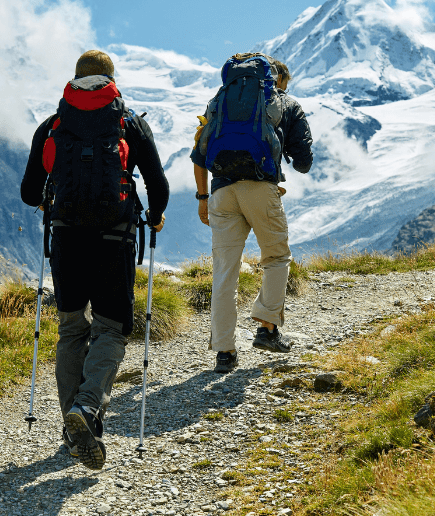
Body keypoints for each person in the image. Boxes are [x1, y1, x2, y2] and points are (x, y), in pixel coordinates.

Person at [20, 49, 169, 469]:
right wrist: (154, 217)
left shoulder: (53, 125)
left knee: (71, 329)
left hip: (67, 239)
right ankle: (86, 409)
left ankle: (74, 425)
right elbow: (158, 184)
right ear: (111, 79)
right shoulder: (128, 123)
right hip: (113, 238)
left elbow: (30, 193)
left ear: (75, 80)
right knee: (110, 328)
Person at [191, 54, 313, 373]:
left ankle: (224, 352)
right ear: (277, 78)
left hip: (220, 190)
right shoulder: (282, 100)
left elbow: (199, 152)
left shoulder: (219, 101)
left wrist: (203, 197)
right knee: (275, 256)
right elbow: (304, 160)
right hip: (260, 187)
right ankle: (267, 329)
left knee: (224, 271)